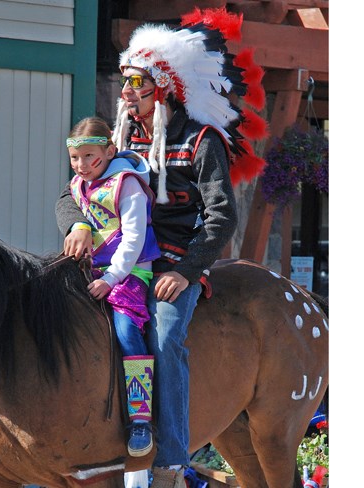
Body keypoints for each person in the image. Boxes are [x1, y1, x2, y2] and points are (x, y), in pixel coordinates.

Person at [57, 8, 267, 488]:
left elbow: (222, 216)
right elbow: (68, 192)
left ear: (165, 87)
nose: (126, 92)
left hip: (172, 261)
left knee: (167, 337)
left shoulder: (201, 141)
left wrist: (187, 271)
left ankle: (170, 463)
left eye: (136, 83)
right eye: (127, 83)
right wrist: (77, 225)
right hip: (111, 257)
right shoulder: (118, 140)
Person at [64, 116, 162, 458]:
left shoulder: (127, 184)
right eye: (75, 159)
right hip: (94, 271)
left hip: (130, 273)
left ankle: (140, 417)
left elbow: (134, 238)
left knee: (125, 331)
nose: (81, 165)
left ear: (109, 151)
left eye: (90, 157)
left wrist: (110, 279)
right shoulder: (79, 184)